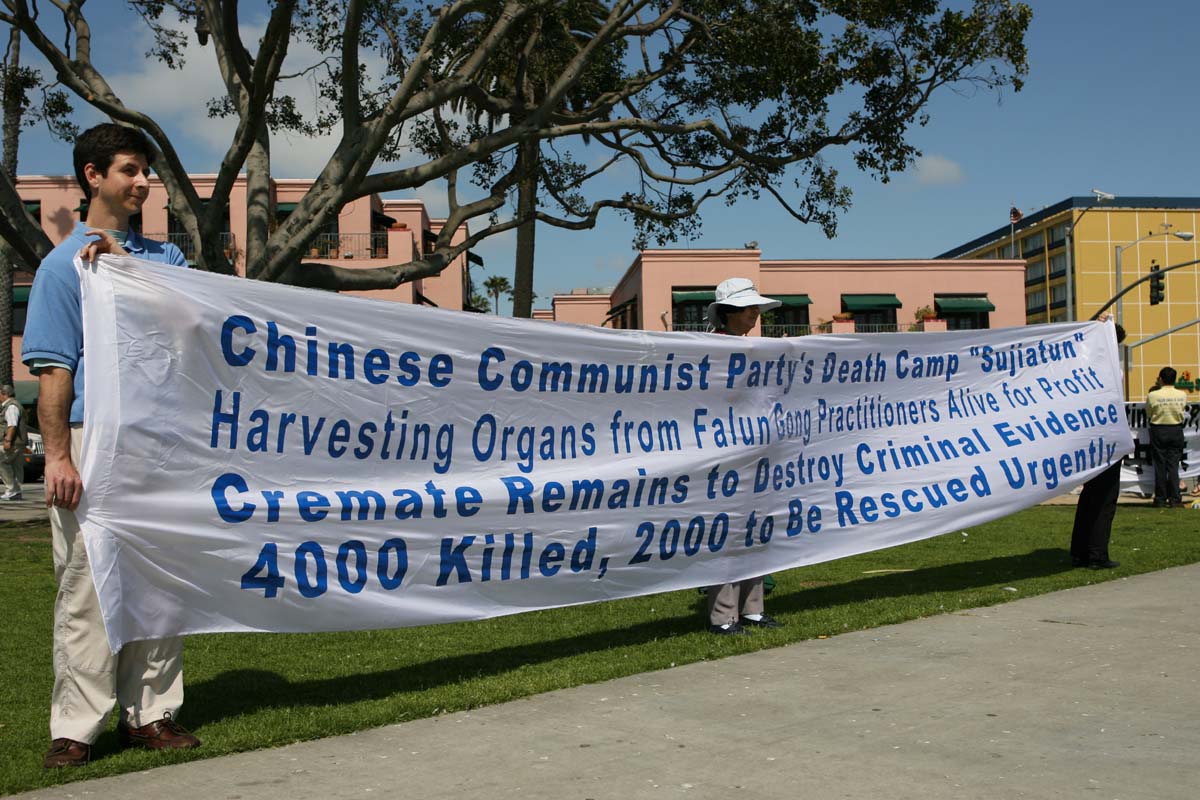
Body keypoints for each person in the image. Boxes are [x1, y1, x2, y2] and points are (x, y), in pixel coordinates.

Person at [22, 123, 200, 769]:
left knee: (159, 581)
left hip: (160, 436)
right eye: (129, 169)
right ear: (93, 176)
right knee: (87, 583)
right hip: (93, 436)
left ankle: (152, 714)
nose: (143, 182)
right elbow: (54, 371)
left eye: (145, 170)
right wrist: (58, 456)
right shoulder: (60, 268)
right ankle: (77, 726)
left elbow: (192, 326)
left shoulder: (166, 259)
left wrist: (127, 272)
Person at [704, 277, 786, 635]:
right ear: (729, 313)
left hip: (756, 456)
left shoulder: (756, 351)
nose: (755, 313)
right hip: (725, 457)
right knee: (727, 534)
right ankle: (724, 616)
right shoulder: (710, 351)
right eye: (749, 308)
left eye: (756, 308)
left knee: (756, 530)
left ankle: (752, 608)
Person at [1069, 321, 1126, 570]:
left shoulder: (1081, 365)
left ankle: (1080, 551)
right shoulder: (1111, 369)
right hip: (1106, 438)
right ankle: (1096, 554)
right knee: (1104, 498)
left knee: (1089, 496)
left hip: (1087, 438)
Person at [1146, 366, 1187, 508]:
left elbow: (1149, 413)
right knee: (1173, 466)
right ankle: (1175, 499)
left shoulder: (1153, 395)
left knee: (1160, 466)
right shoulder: (1182, 395)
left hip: (1159, 429)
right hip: (1176, 429)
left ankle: (1160, 498)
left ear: (1161, 379)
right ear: (1174, 379)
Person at [0, 383, 27, 500]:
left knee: (1, 461)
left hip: (13, 442)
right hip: (18, 443)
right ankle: (17, 491)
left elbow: (12, 425)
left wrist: (8, 440)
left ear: (4, 394)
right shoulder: (14, 405)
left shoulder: (11, 407)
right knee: (16, 466)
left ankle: (11, 489)